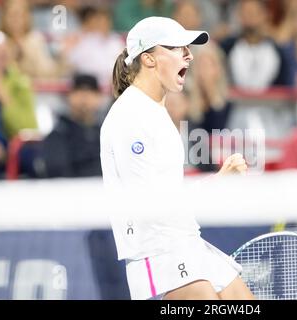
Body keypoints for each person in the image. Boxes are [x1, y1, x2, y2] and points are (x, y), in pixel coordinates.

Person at [100, 17, 254, 300]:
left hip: (185, 240)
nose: (189, 55)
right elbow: (152, 204)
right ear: (148, 59)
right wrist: (218, 182)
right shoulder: (130, 116)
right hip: (158, 250)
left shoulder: (155, 110)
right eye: (176, 48)